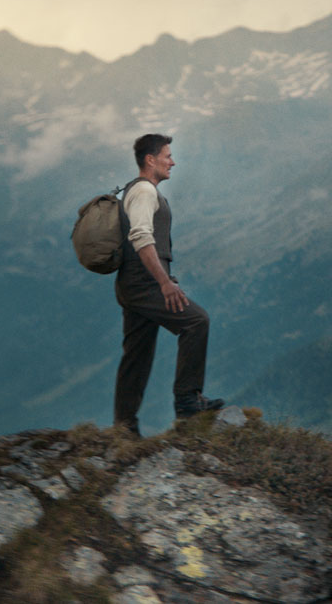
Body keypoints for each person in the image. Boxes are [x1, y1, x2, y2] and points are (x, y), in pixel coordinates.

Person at [113, 133, 223, 436]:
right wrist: (164, 282)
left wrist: (164, 276)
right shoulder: (145, 191)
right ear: (151, 160)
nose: (172, 162)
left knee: (137, 355)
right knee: (196, 322)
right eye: (167, 155)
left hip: (133, 284)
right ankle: (188, 401)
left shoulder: (137, 191)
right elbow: (140, 236)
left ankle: (124, 428)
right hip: (144, 284)